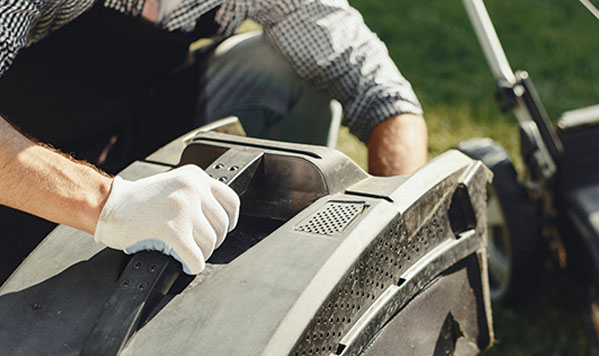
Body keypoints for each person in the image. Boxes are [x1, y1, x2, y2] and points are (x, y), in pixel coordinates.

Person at [0, 0, 428, 276]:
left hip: (130, 124)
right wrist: (111, 205)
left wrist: (393, 235)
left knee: (281, 69)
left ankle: (278, 276)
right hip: (19, 165)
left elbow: (381, 93)